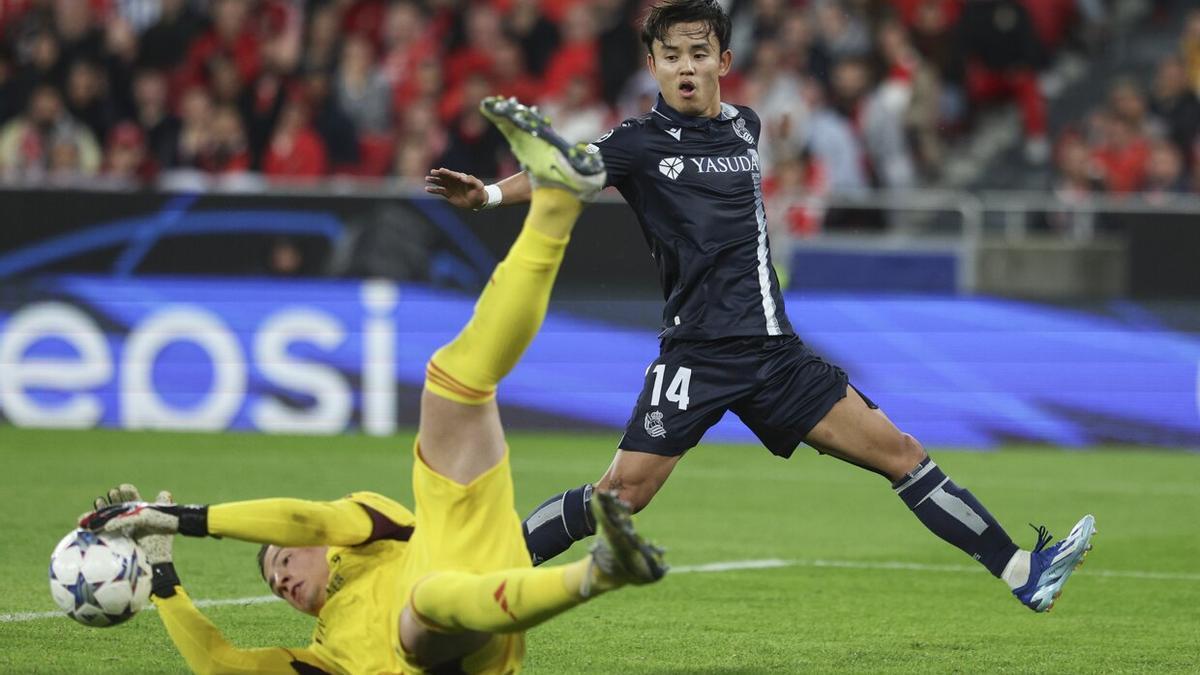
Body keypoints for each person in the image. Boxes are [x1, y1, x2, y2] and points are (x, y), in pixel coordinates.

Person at [424, 0, 1094, 613]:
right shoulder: (634, 143)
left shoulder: (744, 125)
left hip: (776, 355)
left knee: (903, 452)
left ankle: (1019, 570)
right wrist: (484, 196)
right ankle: (478, 574)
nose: (685, 68)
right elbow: (563, 169)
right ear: (653, 64)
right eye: (671, 56)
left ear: (724, 61)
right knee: (619, 497)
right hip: (698, 355)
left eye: (697, 53)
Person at [81, 96, 666, 674]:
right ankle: (597, 574)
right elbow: (222, 665)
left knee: (453, 382)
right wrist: (162, 578)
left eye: (282, 562)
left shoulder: (368, 534)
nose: (281, 579)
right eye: (275, 582)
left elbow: (305, 521)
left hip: (462, 542)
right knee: (425, 610)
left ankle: (555, 205)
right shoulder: (327, 655)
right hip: (451, 652)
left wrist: (181, 518)